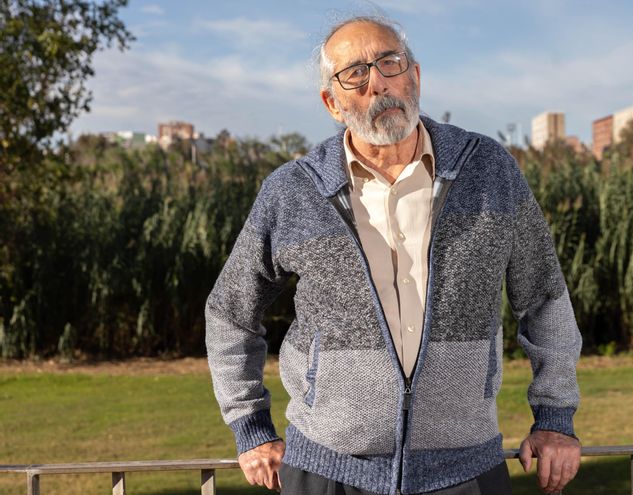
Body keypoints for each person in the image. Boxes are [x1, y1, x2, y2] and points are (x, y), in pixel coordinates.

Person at [205, 14, 583, 495]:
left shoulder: (488, 170)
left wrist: (554, 417)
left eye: (390, 62)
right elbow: (229, 311)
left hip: (465, 472)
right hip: (327, 471)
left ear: (415, 76)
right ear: (332, 102)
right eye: (354, 74)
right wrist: (251, 427)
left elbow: (545, 299)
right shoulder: (292, 190)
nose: (377, 83)